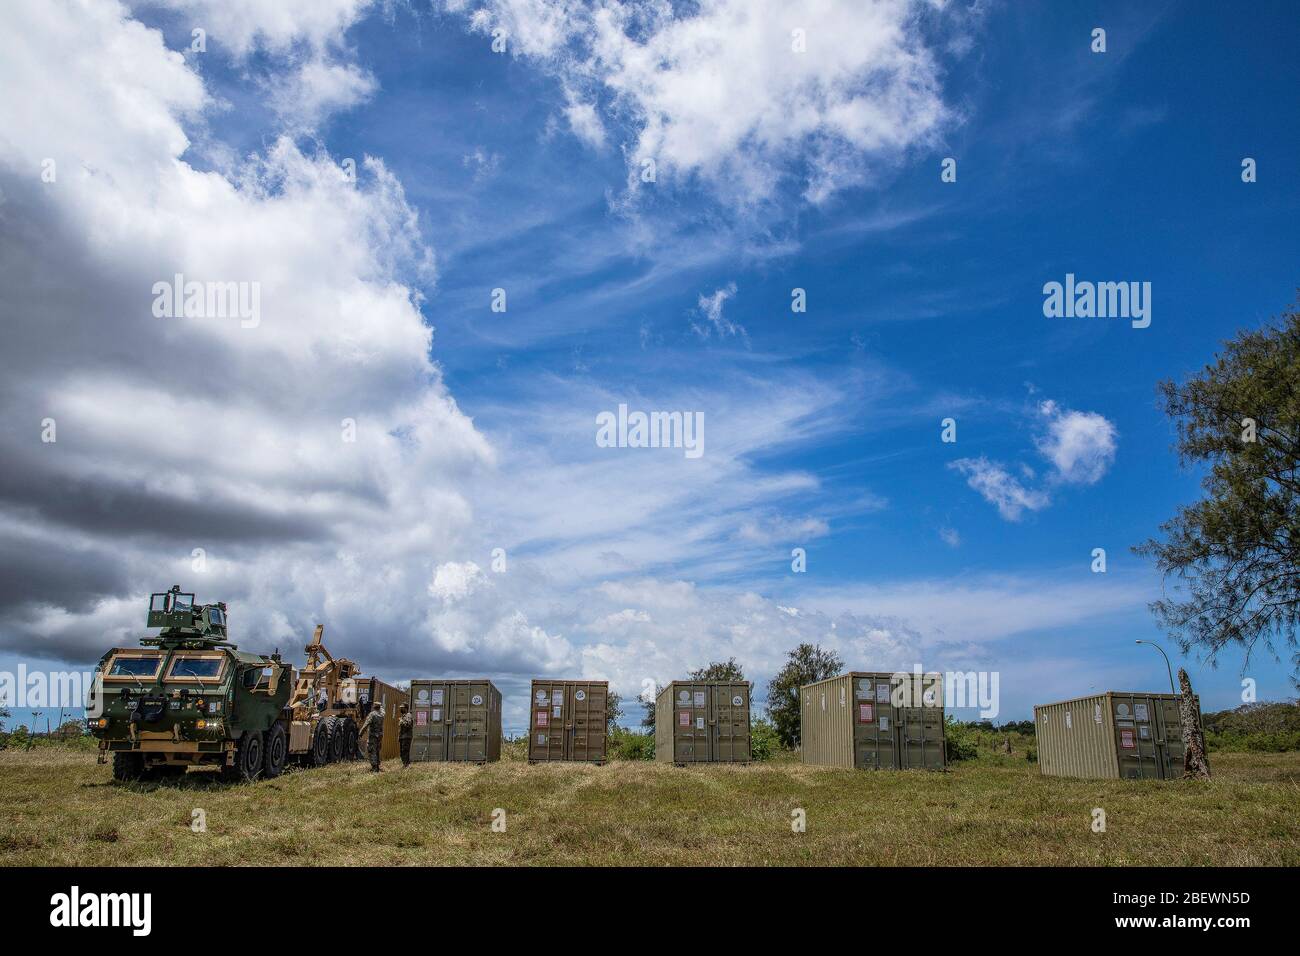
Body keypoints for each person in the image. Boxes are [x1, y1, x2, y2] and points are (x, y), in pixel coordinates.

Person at [359, 701, 384, 772]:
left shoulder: (372, 714)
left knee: (371, 750)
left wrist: (360, 733)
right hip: (380, 735)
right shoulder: (382, 714)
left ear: (374, 706)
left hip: (373, 736)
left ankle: (374, 767)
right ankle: (378, 766)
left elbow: (366, 725)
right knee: (377, 750)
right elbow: (382, 710)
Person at [398, 702, 413, 768]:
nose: (400, 709)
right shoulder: (403, 716)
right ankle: (405, 765)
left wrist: (401, 721)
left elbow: (408, 724)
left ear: (406, 708)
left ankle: (407, 765)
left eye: (402, 708)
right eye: (400, 708)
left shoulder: (408, 715)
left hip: (406, 737)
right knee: (402, 752)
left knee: (405, 751)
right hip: (402, 737)